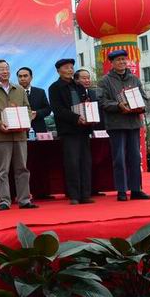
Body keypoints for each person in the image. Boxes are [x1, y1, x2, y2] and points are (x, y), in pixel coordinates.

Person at [97, 49, 150, 201]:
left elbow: (144, 97)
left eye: (123, 59)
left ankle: (136, 189)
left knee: (135, 158)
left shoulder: (134, 79)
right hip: (116, 124)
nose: (122, 62)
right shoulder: (105, 81)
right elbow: (102, 101)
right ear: (112, 63)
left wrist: (141, 106)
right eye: (118, 60)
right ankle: (121, 190)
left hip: (133, 123)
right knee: (119, 159)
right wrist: (118, 106)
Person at [0, 59, 38, 211]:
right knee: (2, 170)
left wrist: (26, 119)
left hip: (19, 135)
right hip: (1, 135)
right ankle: (4, 200)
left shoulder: (19, 89)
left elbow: (27, 108)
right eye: (1, 69)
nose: (5, 71)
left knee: (22, 169)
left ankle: (24, 199)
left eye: (6, 68)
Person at [47, 58, 93, 204]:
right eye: (66, 67)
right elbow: (58, 109)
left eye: (71, 67)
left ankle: (85, 194)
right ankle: (74, 195)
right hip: (68, 130)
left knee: (85, 162)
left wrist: (89, 114)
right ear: (58, 70)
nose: (69, 70)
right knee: (72, 163)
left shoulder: (79, 86)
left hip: (83, 129)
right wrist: (75, 118)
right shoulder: (54, 88)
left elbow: (86, 104)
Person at [17, 67, 52, 133]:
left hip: (38, 129)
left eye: (25, 76)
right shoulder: (13, 93)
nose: (22, 78)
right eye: (20, 76)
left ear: (31, 78)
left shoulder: (40, 92)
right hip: (20, 130)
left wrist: (37, 113)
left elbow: (48, 109)